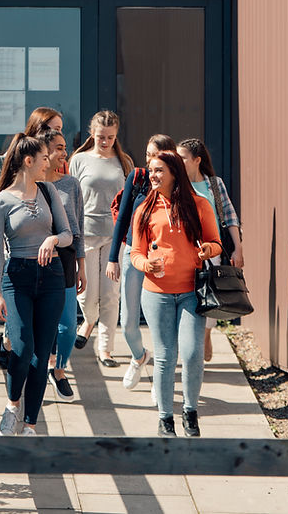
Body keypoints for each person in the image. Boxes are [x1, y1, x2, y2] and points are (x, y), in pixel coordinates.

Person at [130, 151, 222, 437]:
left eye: (158, 170)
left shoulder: (199, 205)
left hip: (190, 291)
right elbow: (136, 252)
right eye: (151, 170)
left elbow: (216, 242)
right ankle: (165, 418)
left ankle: (190, 412)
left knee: (193, 353)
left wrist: (208, 249)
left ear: (174, 173)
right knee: (166, 356)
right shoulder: (144, 209)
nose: (153, 176)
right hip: (156, 293)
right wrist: (146, 263)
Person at [0, 134, 72, 435]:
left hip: (51, 277)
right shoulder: (0, 201)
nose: (48, 163)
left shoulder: (49, 191)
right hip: (17, 278)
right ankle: (12, 405)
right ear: (28, 161)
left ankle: (30, 425)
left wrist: (53, 239)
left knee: (41, 355)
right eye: (44, 159)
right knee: (22, 347)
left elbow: (67, 234)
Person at [0, 107, 64, 370]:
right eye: (51, 128)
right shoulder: (16, 156)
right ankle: (12, 343)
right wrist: (18, 201)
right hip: (14, 247)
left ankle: (46, 365)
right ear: (37, 129)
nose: (57, 134)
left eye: (60, 129)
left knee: (44, 327)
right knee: (20, 328)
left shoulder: (56, 158)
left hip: (47, 248)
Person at [106, 134, 178, 389]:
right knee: (127, 323)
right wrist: (113, 258)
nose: (149, 161)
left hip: (163, 259)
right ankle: (139, 357)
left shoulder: (178, 187)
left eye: (155, 155)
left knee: (162, 326)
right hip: (133, 256)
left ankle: (161, 387)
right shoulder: (137, 178)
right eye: (147, 154)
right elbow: (122, 219)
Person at [68, 110, 133, 367]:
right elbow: (70, 197)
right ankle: (89, 320)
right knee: (86, 294)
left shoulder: (123, 161)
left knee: (110, 294)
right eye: (100, 137)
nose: (105, 141)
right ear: (91, 134)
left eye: (110, 137)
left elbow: (129, 198)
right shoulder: (79, 160)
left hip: (114, 235)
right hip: (84, 234)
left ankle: (106, 350)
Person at [177, 138, 244, 363]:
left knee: (211, 296)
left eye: (183, 158)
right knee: (186, 298)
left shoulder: (214, 184)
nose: (178, 161)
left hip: (211, 249)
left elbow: (229, 215)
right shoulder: (176, 184)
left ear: (197, 160)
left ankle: (206, 333)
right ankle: (188, 345)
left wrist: (238, 248)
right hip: (183, 252)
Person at [38, 128, 87, 401]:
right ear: (44, 153)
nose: (64, 153)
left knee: (68, 326)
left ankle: (59, 369)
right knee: (38, 324)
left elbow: (78, 228)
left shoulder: (71, 184)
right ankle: (39, 370)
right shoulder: (26, 186)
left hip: (66, 260)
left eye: (65, 147)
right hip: (34, 259)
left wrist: (82, 266)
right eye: (59, 147)